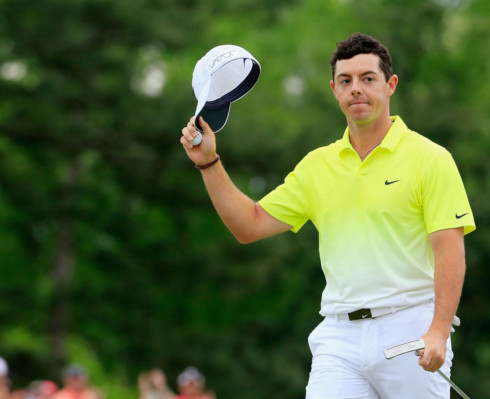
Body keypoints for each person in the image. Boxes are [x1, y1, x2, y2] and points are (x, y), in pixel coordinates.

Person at [180, 33, 475, 399]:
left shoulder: (430, 159)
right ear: (334, 89)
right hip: (339, 336)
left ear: (390, 85)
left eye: (368, 78)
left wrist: (439, 331)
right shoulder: (317, 166)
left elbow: (450, 251)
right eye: (346, 81)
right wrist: (208, 162)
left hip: (410, 327)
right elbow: (249, 225)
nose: (356, 89)